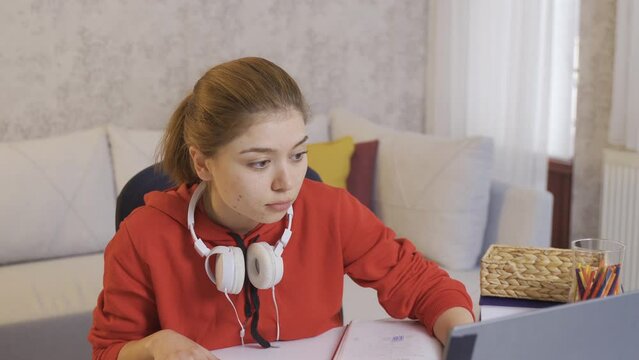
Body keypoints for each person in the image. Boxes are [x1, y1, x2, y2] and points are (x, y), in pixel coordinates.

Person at [88, 57, 474, 360]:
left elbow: (423, 285)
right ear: (203, 164)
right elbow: (109, 350)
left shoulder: (331, 210)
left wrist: (464, 340)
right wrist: (157, 345)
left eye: (298, 154)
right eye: (259, 163)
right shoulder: (143, 236)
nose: (287, 182)